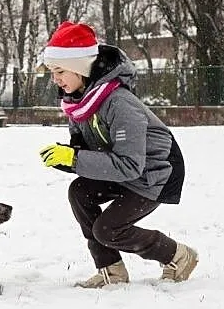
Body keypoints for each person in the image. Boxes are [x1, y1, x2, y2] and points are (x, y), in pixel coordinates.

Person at [37, 21, 198, 288]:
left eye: (60, 70)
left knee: (108, 230)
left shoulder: (119, 103)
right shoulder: (79, 103)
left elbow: (130, 165)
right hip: (124, 170)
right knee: (79, 192)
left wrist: (74, 159)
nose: (55, 78)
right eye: (53, 71)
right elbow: (87, 152)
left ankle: (178, 255)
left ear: (79, 68)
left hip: (154, 173)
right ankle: (111, 271)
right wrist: (67, 157)